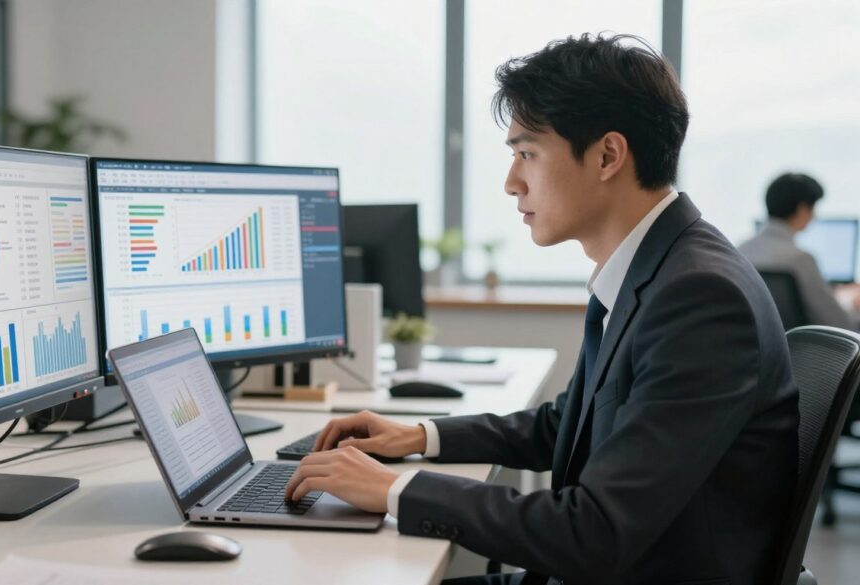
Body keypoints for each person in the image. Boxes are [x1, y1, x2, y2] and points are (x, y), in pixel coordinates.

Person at [284, 33, 799, 585]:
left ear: (607, 155)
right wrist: (419, 436)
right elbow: (571, 423)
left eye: (527, 153)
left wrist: (393, 488)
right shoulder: (662, 267)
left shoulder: (698, 299)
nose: (511, 183)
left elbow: (594, 532)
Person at [739, 173, 860, 329]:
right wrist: (853, 305)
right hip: (806, 349)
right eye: (813, 209)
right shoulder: (800, 260)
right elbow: (837, 322)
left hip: (761, 347)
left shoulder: (740, 251)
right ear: (802, 209)